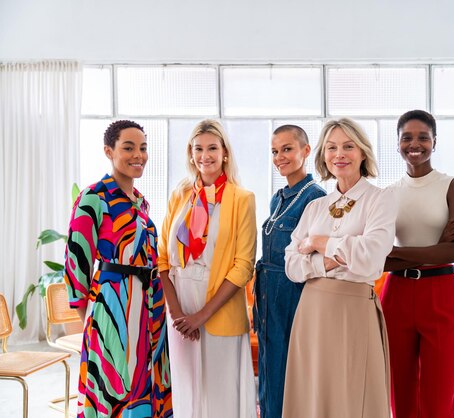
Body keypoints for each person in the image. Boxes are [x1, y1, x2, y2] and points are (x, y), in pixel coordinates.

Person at [282, 118, 396, 418]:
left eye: (348, 146)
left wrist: (320, 241)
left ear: (362, 153)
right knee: (311, 396)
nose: (339, 154)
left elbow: (371, 258)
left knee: (352, 395)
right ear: (323, 155)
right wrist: (331, 258)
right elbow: (292, 265)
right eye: (331, 147)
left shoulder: (379, 200)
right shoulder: (315, 206)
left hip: (353, 311)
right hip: (311, 311)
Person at [63, 120, 173, 418]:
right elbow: (76, 263)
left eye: (143, 148)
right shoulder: (94, 197)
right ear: (108, 151)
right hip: (113, 307)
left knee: (147, 383)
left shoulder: (141, 202)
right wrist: (92, 321)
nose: (138, 155)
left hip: (150, 306)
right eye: (128, 147)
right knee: (111, 385)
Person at [157, 119, 257, 418]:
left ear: (225, 152)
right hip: (179, 301)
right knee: (187, 389)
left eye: (212, 148)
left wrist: (201, 315)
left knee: (221, 393)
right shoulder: (179, 195)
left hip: (218, 306)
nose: (205, 155)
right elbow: (162, 256)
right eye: (198, 148)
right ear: (190, 153)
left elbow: (243, 266)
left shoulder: (242, 199)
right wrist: (176, 312)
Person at [380, 110, 454, 418]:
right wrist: (437, 247)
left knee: (439, 392)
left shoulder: (453, 186)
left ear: (435, 142)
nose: (414, 144)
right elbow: (379, 258)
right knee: (400, 390)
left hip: (441, 292)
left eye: (423, 137)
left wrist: (398, 254)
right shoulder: (388, 194)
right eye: (406, 137)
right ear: (397, 144)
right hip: (397, 295)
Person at [254, 125, 326, 418]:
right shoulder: (278, 197)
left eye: (287, 149)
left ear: (305, 151)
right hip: (267, 294)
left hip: (294, 294)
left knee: (290, 370)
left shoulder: (316, 197)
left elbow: (314, 257)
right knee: (269, 371)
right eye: (274, 151)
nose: (279, 157)